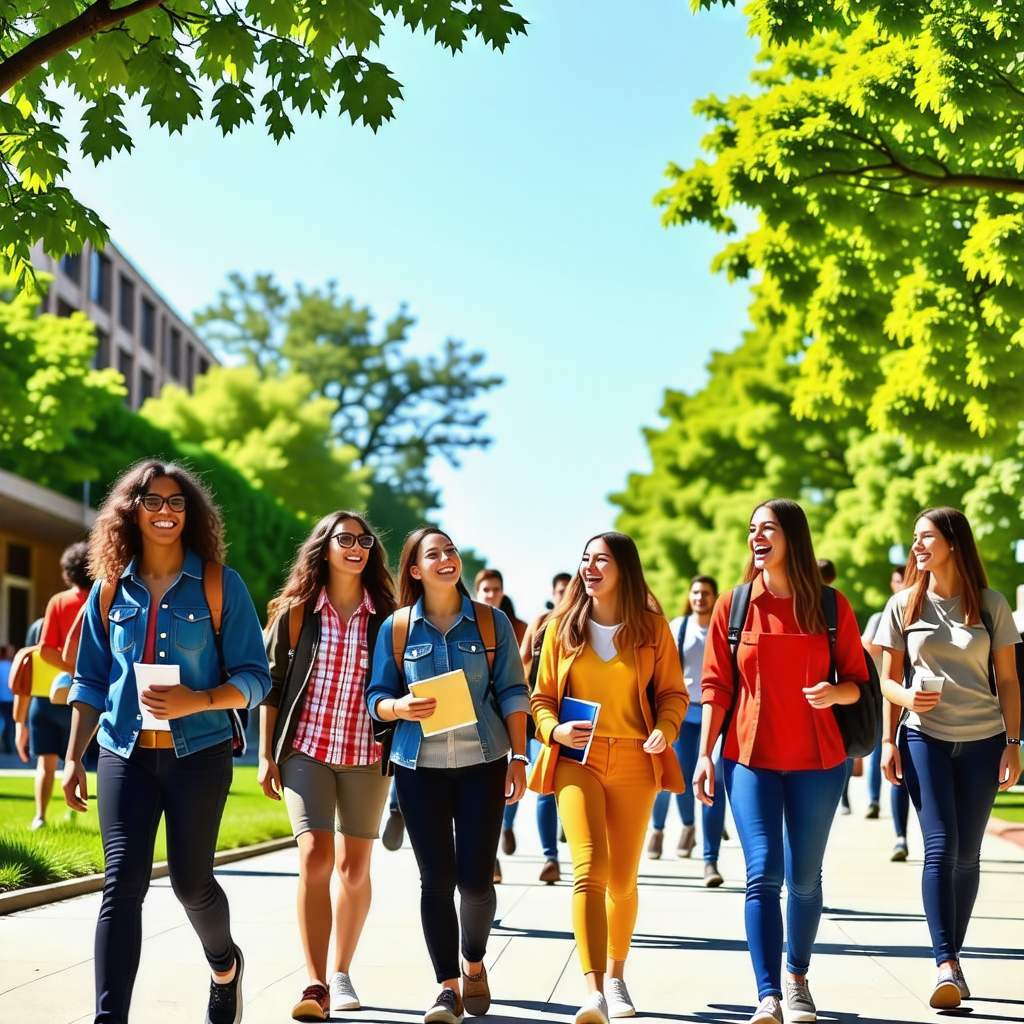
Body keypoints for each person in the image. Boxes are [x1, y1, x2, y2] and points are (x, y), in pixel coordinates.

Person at [61, 460, 271, 1024]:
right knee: (121, 883)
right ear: (132, 511)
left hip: (198, 754)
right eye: (152, 501)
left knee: (191, 882)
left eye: (176, 502)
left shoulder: (220, 585)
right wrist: (74, 757)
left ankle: (225, 965)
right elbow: (90, 680)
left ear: (190, 513)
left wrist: (196, 701)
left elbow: (256, 678)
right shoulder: (108, 590)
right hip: (122, 752)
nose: (165, 511)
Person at [695, 499, 868, 1024]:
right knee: (763, 873)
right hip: (749, 759)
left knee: (805, 878)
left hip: (820, 761)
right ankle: (768, 994)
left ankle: (797, 979)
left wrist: (834, 693)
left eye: (767, 528)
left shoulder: (832, 606)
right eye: (752, 529)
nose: (756, 537)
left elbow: (858, 682)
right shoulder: (734, 605)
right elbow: (716, 686)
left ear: (793, 536)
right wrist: (704, 755)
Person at [366, 526, 530, 1024]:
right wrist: (399, 707)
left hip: (484, 762)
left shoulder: (491, 623)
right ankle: (447, 988)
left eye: (451, 551)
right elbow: (376, 696)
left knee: (476, 881)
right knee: (435, 880)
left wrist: (520, 758)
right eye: (433, 554)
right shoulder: (397, 628)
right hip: (420, 768)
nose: (446, 559)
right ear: (415, 570)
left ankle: (473, 962)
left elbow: (513, 691)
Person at [531, 532, 687, 1024]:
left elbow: (673, 694)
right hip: (577, 761)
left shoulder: (653, 629)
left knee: (621, 880)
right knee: (589, 870)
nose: (590, 567)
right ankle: (594, 990)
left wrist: (665, 730)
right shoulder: (561, 628)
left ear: (624, 569)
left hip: (637, 760)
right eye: (585, 559)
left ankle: (618, 977)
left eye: (601, 559)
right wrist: (554, 730)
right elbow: (541, 698)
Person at [874, 507, 1021, 1010]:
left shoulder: (991, 604)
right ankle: (945, 962)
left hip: (984, 740)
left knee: (968, 854)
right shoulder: (903, 604)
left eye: (926, 537)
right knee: (940, 845)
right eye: (914, 537)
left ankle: (953, 959)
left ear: (953, 542)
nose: (916, 546)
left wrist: (1014, 742)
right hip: (924, 738)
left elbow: (1008, 680)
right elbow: (887, 680)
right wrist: (892, 733)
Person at [260, 511, 397, 1021]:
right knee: (316, 858)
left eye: (365, 540)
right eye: (346, 539)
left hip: (367, 755)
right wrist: (266, 754)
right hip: (306, 750)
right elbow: (272, 687)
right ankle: (315, 982)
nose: (357, 547)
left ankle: (341, 972)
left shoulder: (389, 619)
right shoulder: (296, 614)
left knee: (353, 870)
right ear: (325, 546)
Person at [647, 575, 729, 886]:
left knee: (714, 781)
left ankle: (711, 860)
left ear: (714, 597)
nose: (700, 597)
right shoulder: (678, 627)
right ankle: (684, 827)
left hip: (716, 714)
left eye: (706, 592)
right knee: (679, 777)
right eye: (695, 592)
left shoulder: (724, 628)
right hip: (683, 713)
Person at [25, 541, 92, 828]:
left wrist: (70, 668)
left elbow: (46, 650)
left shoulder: (59, 602)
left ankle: (40, 816)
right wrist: (87, 672)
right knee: (75, 758)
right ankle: (73, 813)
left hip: (54, 694)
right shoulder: (105, 599)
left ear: (67, 572)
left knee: (46, 761)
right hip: (87, 697)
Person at [518, 572, 572, 884]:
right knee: (543, 785)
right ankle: (550, 857)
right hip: (542, 715)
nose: (565, 595)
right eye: (560, 591)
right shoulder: (540, 622)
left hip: (575, 715)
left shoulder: (581, 622)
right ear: (553, 593)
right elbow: (522, 661)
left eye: (569, 590)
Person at [474, 567, 527, 883]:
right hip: (474, 719)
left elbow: (523, 673)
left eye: (496, 589)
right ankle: (489, 857)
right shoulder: (466, 623)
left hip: (506, 716)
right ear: (477, 591)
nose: (491, 594)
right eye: (486, 589)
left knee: (504, 788)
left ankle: (505, 826)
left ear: (502, 592)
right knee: (477, 796)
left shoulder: (515, 627)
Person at [861, 566, 911, 859]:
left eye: (904, 579)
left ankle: (905, 836)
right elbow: (867, 650)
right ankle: (875, 803)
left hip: (918, 703)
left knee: (904, 766)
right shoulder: (881, 617)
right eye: (897, 580)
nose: (900, 584)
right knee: (882, 753)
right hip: (886, 698)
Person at [0, 643, 15, 754]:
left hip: (4, 698)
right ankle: (8, 745)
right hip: (9, 699)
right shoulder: (10, 666)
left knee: (5, 723)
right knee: (9, 723)